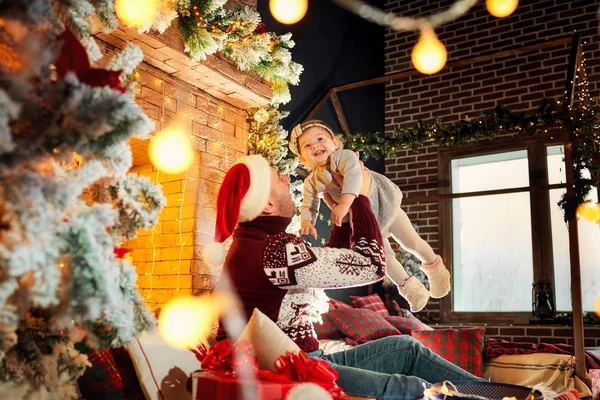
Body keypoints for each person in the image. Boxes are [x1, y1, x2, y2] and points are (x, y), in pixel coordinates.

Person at [202, 154, 483, 399]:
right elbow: (371, 266)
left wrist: (345, 218)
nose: (288, 178)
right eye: (278, 178)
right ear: (267, 206)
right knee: (411, 389)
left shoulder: (258, 244)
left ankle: (497, 395)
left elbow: (332, 265)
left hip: (307, 359)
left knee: (407, 348)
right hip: (293, 374)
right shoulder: (272, 250)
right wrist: (360, 198)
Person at [288, 119, 450, 313]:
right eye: (307, 146)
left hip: (385, 205)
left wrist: (344, 204)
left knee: (411, 243)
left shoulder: (344, 157)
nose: (315, 145)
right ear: (303, 159)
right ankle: (413, 291)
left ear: (335, 142)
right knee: (385, 257)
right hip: (367, 220)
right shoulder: (312, 182)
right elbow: (310, 203)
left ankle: (435, 267)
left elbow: (354, 179)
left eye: (320, 138)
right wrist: (307, 221)